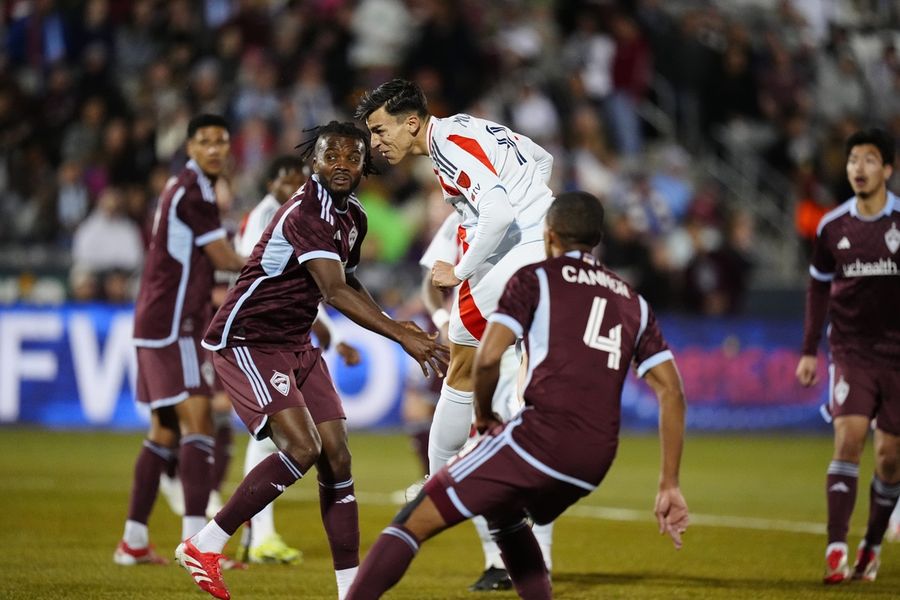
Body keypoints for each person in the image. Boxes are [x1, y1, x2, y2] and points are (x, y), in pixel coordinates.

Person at [345, 191, 689, 599]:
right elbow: (672, 392)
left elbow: (487, 358)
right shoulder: (632, 301)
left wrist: (486, 416)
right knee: (505, 517)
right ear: (597, 238)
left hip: (538, 440)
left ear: (549, 235)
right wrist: (669, 483)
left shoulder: (535, 278)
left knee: (412, 519)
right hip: (595, 459)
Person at [175, 121, 448, 600]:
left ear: (365, 164)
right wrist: (401, 335)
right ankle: (205, 545)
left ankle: (350, 590)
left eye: (351, 157)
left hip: (296, 341)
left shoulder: (354, 216)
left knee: (337, 458)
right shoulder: (306, 213)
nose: (341, 165)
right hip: (249, 340)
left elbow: (347, 279)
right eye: (331, 157)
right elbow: (334, 289)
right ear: (314, 162)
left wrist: (399, 325)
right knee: (302, 449)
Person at [355, 76, 554, 508]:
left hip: (510, 259)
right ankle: (519, 472)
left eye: (379, 130)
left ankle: (439, 483)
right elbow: (543, 160)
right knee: (519, 367)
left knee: (460, 370)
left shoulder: (446, 147)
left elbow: (497, 213)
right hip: (544, 252)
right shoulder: (469, 126)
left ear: (410, 123)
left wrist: (459, 269)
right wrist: (534, 213)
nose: (374, 144)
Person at [114, 114, 245, 566]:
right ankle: (196, 542)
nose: (214, 149)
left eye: (221, 142)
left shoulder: (187, 187)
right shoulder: (194, 190)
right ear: (189, 147)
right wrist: (279, 265)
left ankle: (133, 540)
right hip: (175, 323)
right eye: (204, 141)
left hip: (156, 318)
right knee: (199, 420)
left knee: (164, 430)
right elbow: (224, 257)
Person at [234, 154, 361, 565]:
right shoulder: (273, 217)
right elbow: (282, 280)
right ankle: (248, 535)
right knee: (282, 440)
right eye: (285, 181)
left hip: (288, 335)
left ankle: (253, 536)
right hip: (251, 333)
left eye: (297, 180)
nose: (293, 187)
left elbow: (324, 282)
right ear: (270, 184)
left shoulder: (324, 214)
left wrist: (331, 334)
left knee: (295, 444)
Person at [416, 209, 553, 590]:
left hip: (522, 348)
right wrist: (444, 323)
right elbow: (432, 280)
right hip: (478, 346)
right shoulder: (465, 215)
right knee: (478, 456)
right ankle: (497, 560)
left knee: (530, 455)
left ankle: (539, 560)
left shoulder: (532, 217)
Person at [795, 127, 900, 584]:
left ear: (888, 170)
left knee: (891, 458)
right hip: (851, 349)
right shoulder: (832, 225)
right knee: (849, 438)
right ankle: (836, 547)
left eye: (870, 159)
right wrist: (809, 350)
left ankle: (871, 547)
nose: (858, 167)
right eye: (853, 159)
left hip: (898, 356)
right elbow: (818, 287)